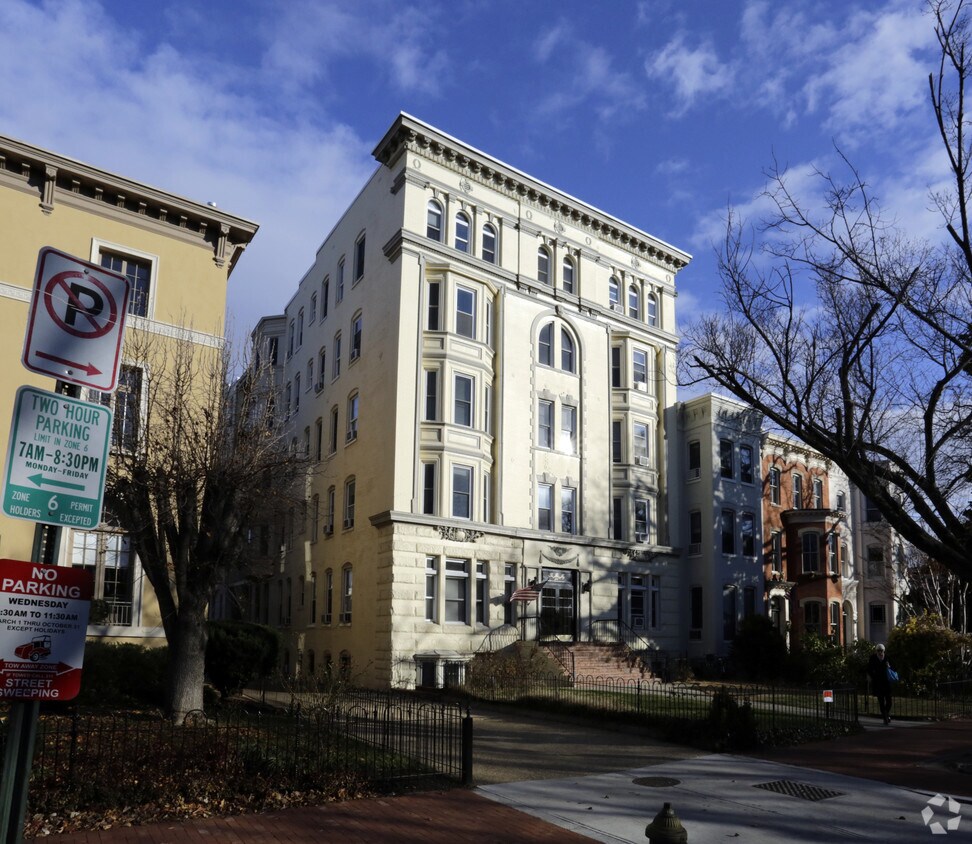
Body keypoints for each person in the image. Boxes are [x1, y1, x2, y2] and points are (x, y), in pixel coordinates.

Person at [866, 643, 894, 724]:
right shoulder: (873, 658)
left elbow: (893, 667)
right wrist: (872, 675)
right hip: (878, 683)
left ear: (884, 651)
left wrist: (889, 666)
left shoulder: (887, 658)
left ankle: (886, 714)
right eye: (878, 651)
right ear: (876, 651)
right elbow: (869, 668)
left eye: (881, 651)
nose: (880, 652)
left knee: (889, 702)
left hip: (887, 683)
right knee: (881, 701)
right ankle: (885, 718)